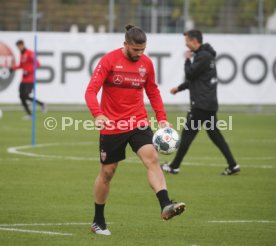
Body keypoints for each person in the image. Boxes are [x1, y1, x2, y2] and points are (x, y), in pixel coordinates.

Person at [85, 24, 185, 236]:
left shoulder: (146, 64)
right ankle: (98, 221)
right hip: (113, 125)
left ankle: (165, 204)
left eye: (143, 49)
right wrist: (98, 114)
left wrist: (162, 119)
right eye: (135, 50)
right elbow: (91, 91)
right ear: (125, 45)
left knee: (152, 159)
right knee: (107, 172)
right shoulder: (109, 61)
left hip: (138, 121)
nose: (140, 54)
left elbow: (153, 91)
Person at [161, 29, 240, 176]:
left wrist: (186, 60)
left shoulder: (202, 57)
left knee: (187, 135)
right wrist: (179, 88)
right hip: (208, 104)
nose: (186, 46)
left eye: (187, 42)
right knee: (215, 135)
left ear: (194, 41)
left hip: (201, 104)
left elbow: (190, 74)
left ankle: (174, 167)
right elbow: (196, 79)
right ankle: (233, 165)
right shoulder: (206, 56)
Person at [11, 40, 46, 120]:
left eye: (19, 46)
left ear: (23, 45)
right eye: (17, 47)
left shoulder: (29, 53)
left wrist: (28, 71)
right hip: (23, 79)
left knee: (25, 96)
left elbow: (37, 64)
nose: (19, 48)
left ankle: (42, 104)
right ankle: (31, 114)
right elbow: (21, 65)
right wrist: (13, 69)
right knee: (21, 96)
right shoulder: (22, 54)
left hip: (30, 79)